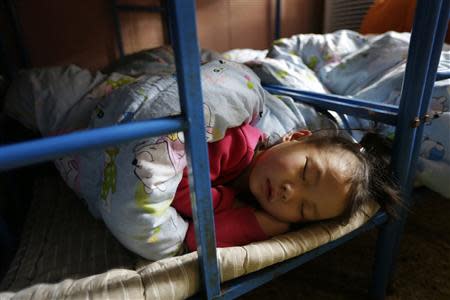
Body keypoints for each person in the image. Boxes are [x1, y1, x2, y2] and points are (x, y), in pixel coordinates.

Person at [172, 123, 401, 252]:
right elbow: (174, 190)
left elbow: (194, 240)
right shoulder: (233, 141)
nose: (289, 193)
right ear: (296, 137)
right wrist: (228, 201)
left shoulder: (255, 206)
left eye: (303, 209)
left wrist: (260, 225)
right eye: (305, 173)